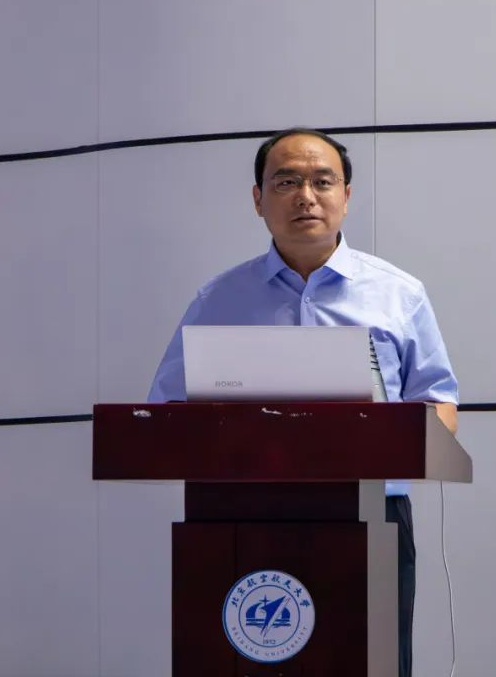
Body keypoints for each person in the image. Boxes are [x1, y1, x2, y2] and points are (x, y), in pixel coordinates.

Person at [147, 127, 458, 677]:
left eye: (322, 181)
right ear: (258, 199)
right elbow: (165, 412)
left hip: (371, 515)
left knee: (370, 662)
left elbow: (439, 405)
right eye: (286, 182)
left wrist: (400, 442)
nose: (305, 197)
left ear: (347, 196)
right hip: (242, 515)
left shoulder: (399, 294)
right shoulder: (219, 299)